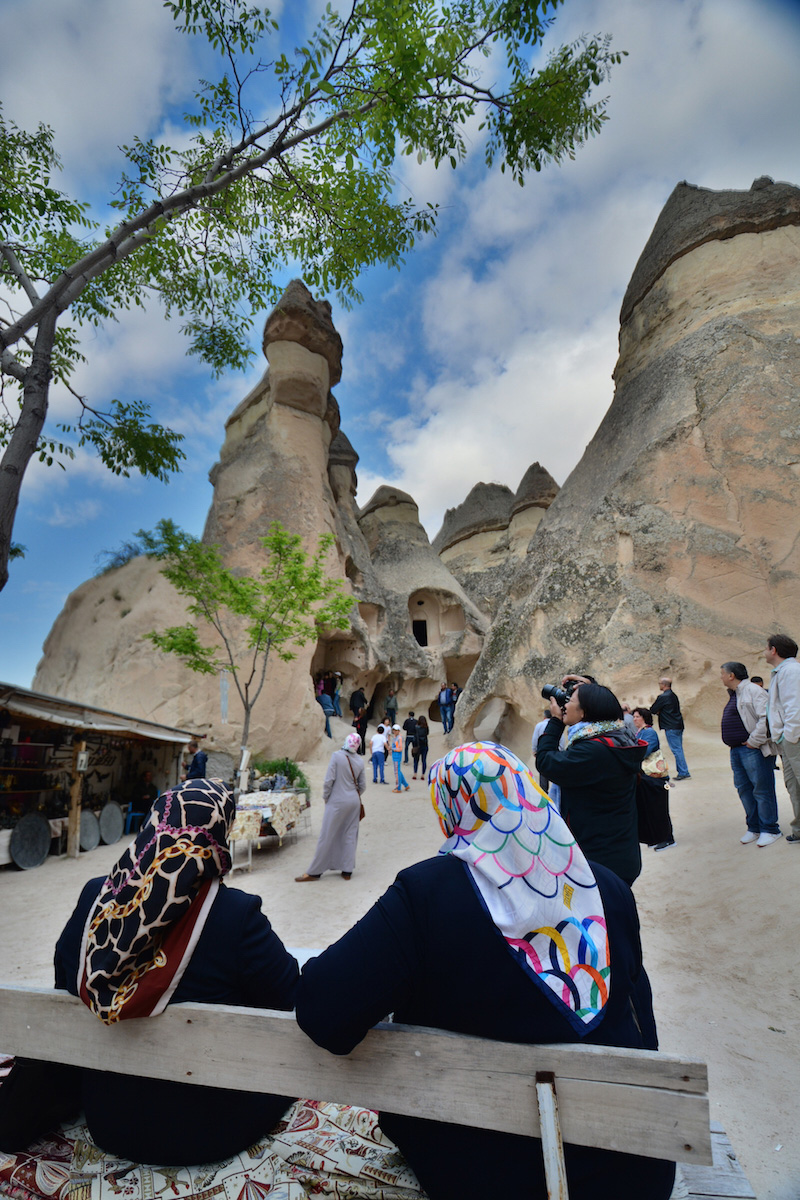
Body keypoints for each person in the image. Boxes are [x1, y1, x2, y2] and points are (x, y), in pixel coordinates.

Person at [295, 742, 675, 1200]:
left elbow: (323, 1013)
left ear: (451, 808)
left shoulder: (427, 893)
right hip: (626, 1170)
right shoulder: (608, 888)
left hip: (480, 1172)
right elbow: (644, 1028)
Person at [54, 779, 299, 1164]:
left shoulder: (94, 898)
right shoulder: (237, 917)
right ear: (220, 836)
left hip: (109, 1121)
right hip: (208, 1130)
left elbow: (63, 981)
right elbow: (290, 1000)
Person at [536, 683, 646, 886]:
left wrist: (555, 722)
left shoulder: (592, 752)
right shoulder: (618, 737)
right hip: (618, 853)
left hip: (601, 862)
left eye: (570, 701)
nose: (565, 705)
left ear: (584, 711)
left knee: (604, 916)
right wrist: (590, 688)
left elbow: (545, 762)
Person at [719, 662, 781, 847]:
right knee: (744, 789)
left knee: (762, 789)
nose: (720, 677)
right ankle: (754, 827)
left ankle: (770, 829)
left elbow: (766, 717)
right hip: (737, 750)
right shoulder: (735, 693)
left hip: (752, 749)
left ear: (731, 675)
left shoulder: (754, 691)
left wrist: (754, 741)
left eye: (722, 673)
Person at [296, 733, 366, 881]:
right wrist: (352, 794)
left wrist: (326, 797)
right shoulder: (359, 761)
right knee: (350, 834)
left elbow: (329, 780)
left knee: (327, 834)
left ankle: (315, 871)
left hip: (337, 800)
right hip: (353, 801)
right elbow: (363, 786)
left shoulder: (337, 756)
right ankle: (347, 870)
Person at [765, 632, 800, 843]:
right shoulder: (782, 671)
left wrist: (791, 736)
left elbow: (794, 706)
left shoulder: (792, 671)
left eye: (766, 647)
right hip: (786, 739)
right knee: (793, 784)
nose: (765, 651)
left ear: (774, 650)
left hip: (793, 738)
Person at [631, 706, 675, 851]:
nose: (634, 719)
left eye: (637, 716)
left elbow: (644, 751)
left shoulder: (648, 732)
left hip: (656, 778)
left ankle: (668, 838)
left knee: (660, 809)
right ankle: (659, 837)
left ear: (644, 718)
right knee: (652, 808)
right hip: (649, 777)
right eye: (634, 716)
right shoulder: (641, 732)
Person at [650, 678, 690, 780]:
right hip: (678, 725)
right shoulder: (673, 696)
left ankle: (684, 772)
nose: (659, 685)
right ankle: (683, 771)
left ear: (664, 685)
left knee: (677, 750)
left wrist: (660, 711)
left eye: (659, 684)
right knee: (679, 749)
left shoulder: (663, 697)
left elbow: (653, 709)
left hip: (670, 726)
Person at [389, 724, 410, 792]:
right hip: (395, 755)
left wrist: (393, 749)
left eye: (396, 730)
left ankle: (398, 787)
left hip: (397, 756)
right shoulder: (396, 737)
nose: (394, 731)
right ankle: (406, 785)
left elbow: (400, 748)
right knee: (398, 771)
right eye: (394, 730)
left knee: (397, 772)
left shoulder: (399, 738)